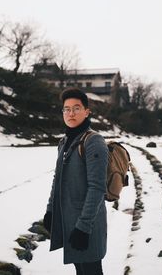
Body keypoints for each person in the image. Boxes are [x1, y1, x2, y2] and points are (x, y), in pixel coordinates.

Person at [43, 87, 108, 275]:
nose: (71, 113)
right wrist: (50, 210)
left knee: (90, 270)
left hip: (88, 224)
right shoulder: (65, 141)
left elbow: (97, 188)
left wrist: (84, 227)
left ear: (87, 112)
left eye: (76, 108)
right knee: (80, 269)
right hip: (70, 221)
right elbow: (58, 178)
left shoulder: (93, 141)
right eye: (66, 109)